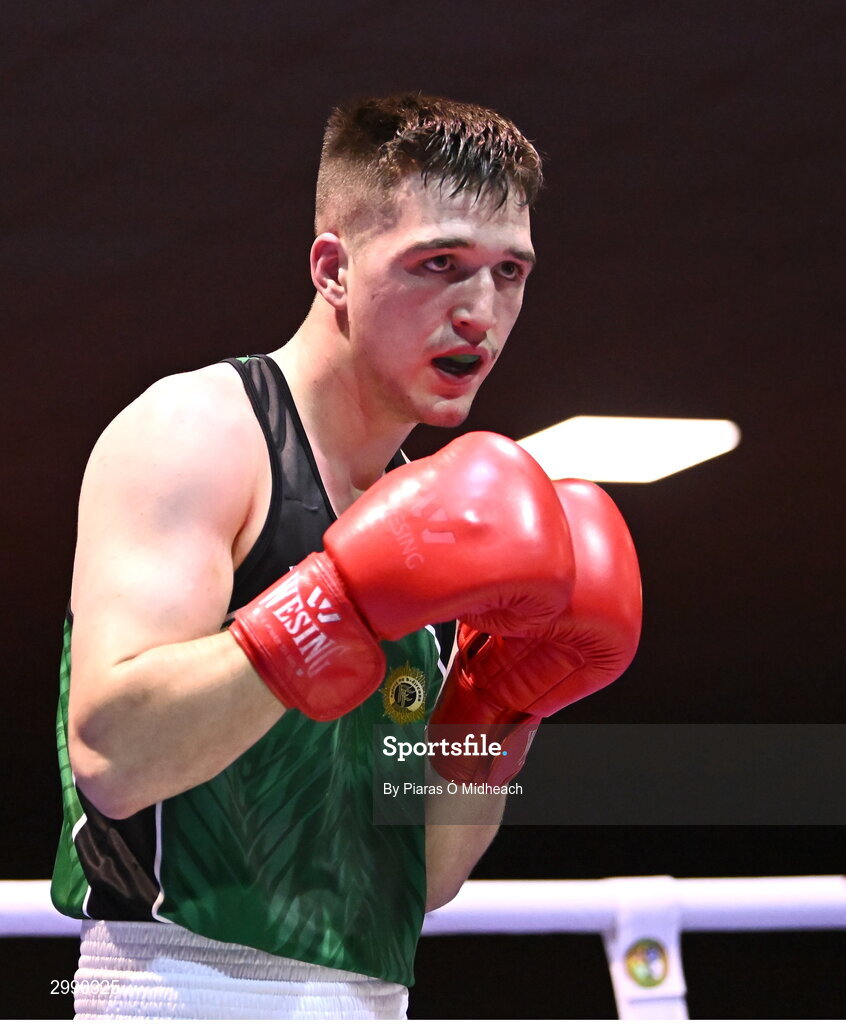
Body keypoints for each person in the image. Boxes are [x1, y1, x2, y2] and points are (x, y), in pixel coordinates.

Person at [51, 93, 641, 1020]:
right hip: (175, 991)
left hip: (368, 999)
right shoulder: (201, 431)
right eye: (439, 264)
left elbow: (426, 875)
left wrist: (499, 708)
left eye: (509, 272)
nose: (479, 311)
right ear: (333, 268)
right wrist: (336, 606)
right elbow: (112, 755)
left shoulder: (441, 523)